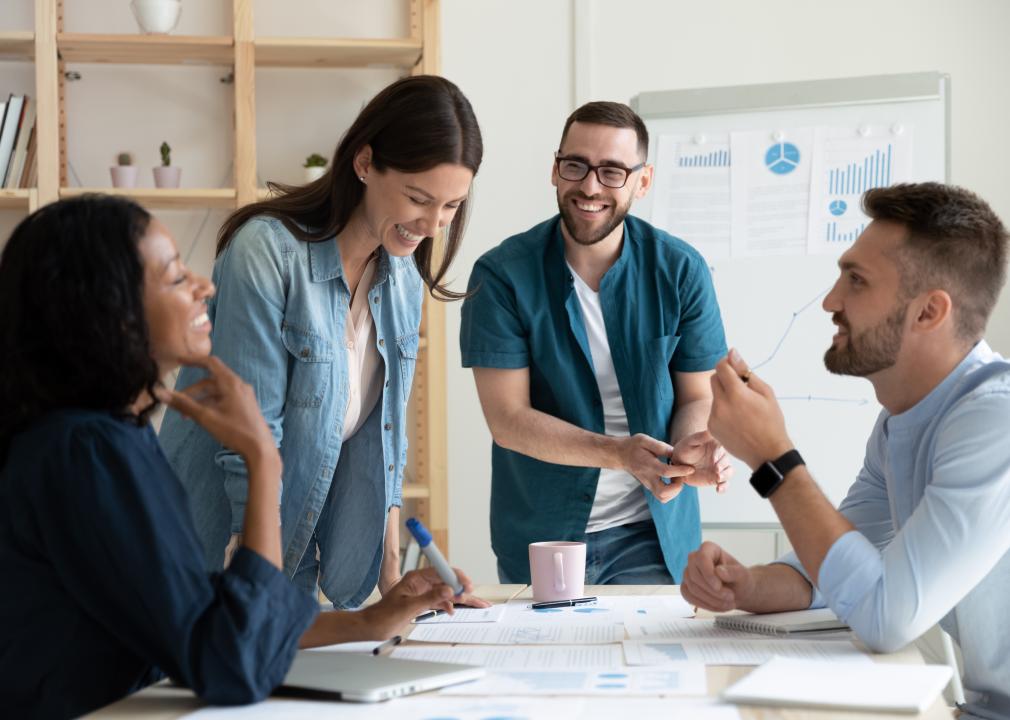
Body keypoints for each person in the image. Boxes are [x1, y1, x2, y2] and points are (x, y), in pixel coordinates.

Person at [0, 196, 477, 719]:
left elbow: (205, 614)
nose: (203, 287)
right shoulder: (86, 453)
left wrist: (370, 622)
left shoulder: (106, 436)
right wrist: (262, 460)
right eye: (176, 277)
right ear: (110, 312)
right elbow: (233, 662)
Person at [159, 75, 487, 608]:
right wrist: (255, 587)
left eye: (451, 206)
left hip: (293, 558)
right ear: (363, 163)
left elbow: (387, 439)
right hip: (215, 553)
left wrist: (393, 581)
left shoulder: (401, 275)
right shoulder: (267, 254)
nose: (432, 225)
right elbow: (251, 437)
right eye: (417, 198)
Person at [684, 183, 1010, 719]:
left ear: (929, 312)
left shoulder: (992, 421)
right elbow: (839, 566)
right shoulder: (901, 422)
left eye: (856, 281)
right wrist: (747, 586)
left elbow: (884, 616)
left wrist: (773, 457)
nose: (832, 301)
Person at [460, 101, 731, 585]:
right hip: (543, 536)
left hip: (652, 532)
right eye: (575, 166)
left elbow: (698, 395)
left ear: (642, 182)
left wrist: (686, 450)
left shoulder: (681, 270)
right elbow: (509, 421)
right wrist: (619, 453)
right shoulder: (501, 276)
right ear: (555, 170)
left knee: (650, 661)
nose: (589, 186)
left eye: (612, 172)